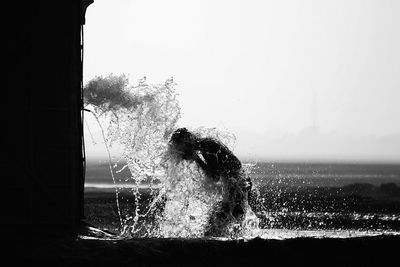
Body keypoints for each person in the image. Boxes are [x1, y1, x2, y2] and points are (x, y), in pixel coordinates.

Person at [168, 128, 254, 237]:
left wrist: (196, 159)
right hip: (240, 184)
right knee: (223, 224)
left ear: (187, 141)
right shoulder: (206, 144)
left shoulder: (207, 147)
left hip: (238, 186)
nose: (183, 153)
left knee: (217, 225)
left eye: (182, 149)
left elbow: (215, 176)